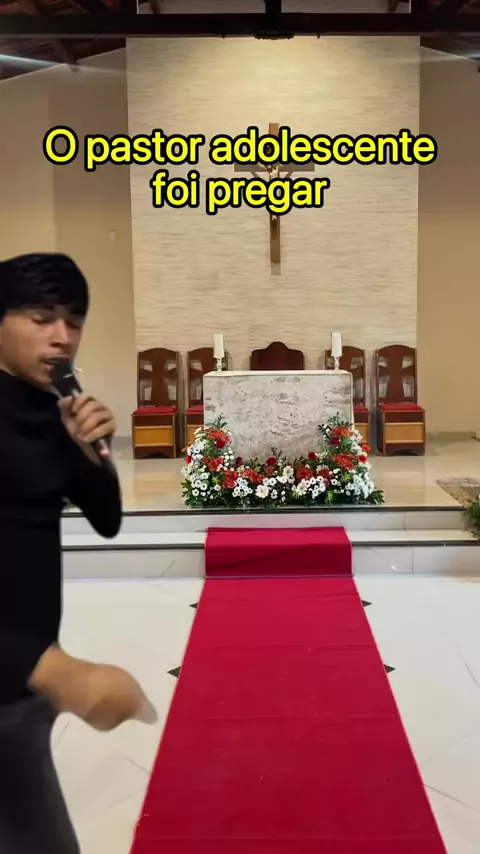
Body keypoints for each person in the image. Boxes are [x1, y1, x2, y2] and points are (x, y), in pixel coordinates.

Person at [0, 252, 156, 854]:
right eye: (41, 318)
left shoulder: (55, 407)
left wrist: (92, 454)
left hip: (23, 677)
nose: (62, 337)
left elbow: (107, 521)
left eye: (74, 322)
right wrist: (59, 673)